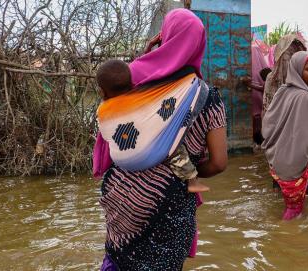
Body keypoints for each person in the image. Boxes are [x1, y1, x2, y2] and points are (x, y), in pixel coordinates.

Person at [94, 9, 227, 270]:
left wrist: (146, 55)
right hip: (169, 206)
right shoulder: (208, 97)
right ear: (199, 44)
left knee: (118, 262)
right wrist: (185, 173)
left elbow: (110, 120)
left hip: (122, 199)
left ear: (165, 38)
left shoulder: (134, 80)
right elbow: (219, 162)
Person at [95, 59, 210, 193]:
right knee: (173, 145)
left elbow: (106, 136)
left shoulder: (101, 112)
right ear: (132, 83)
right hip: (153, 156)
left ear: (102, 92)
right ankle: (192, 181)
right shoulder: (144, 97)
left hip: (122, 162)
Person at [261, 51, 308, 220]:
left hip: (277, 161)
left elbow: (268, 122)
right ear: (297, 70)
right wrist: (304, 160)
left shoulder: (283, 90)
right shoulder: (303, 96)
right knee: (293, 212)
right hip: (294, 165)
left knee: (289, 205)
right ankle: (286, 241)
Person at [262, 34, 307, 116]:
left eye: (296, 58)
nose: (292, 63)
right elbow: (268, 112)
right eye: (289, 56)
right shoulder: (272, 79)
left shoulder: (306, 78)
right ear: (279, 58)